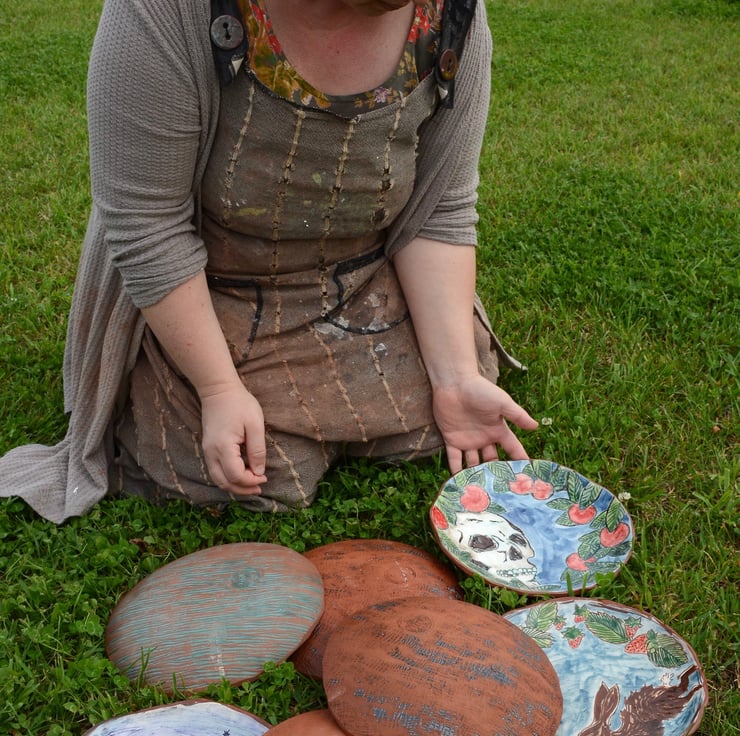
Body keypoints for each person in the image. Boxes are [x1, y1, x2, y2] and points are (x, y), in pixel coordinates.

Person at [0, 0, 537, 523]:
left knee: (444, 414)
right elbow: (147, 223)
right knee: (261, 469)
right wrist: (218, 389)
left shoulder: (454, 16)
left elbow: (438, 208)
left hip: (361, 282)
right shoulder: (165, 10)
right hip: (211, 287)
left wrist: (454, 375)